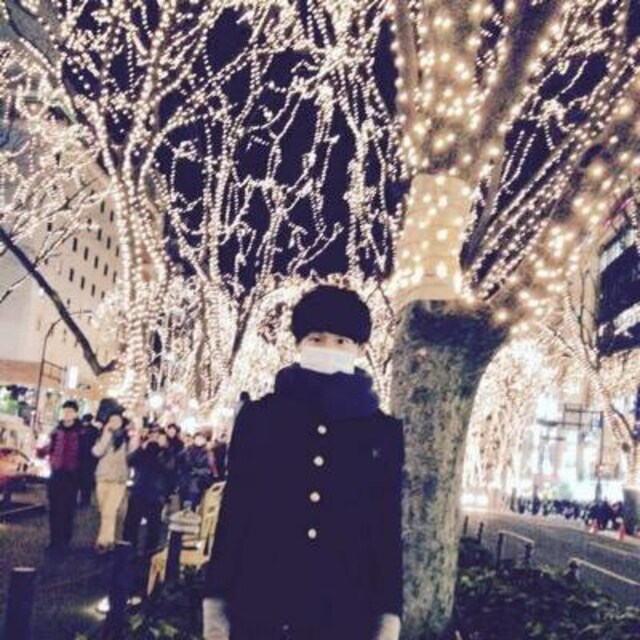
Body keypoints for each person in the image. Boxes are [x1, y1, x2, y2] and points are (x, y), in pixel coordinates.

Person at [202, 285, 405, 640]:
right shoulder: (260, 417)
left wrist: (388, 612)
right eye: (317, 338)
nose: (329, 348)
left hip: (345, 608)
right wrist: (216, 600)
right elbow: (236, 508)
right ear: (299, 343)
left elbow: (386, 526)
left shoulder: (382, 432)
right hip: (262, 599)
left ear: (360, 349)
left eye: (342, 341)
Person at [39, 399, 83, 555]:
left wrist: (81, 475)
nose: (67, 414)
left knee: (67, 510)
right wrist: (42, 450)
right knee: (54, 509)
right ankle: (54, 540)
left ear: (76, 414)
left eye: (70, 411)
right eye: (65, 411)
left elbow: (84, 455)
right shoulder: (56, 431)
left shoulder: (81, 432)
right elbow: (47, 450)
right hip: (56, 474)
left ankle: (64, 541)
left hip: (71, 476)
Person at [123, 427, 176, 554]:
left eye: (158, 437)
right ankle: (130, 548)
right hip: (139, 490)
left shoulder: (167, 454)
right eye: (153, 436)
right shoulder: (143, 451)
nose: (155, 440)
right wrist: (142, 448)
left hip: (156, 493)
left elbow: (168, 469)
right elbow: (130, 460)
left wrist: (159, 451)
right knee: (132, 522)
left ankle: (150, 551)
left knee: (154, 525)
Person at [92, 409, 137, 553]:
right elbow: (97, 452)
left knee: (109, 510)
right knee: (103, 511)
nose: (114, 423)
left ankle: (104, 541)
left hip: (118, 479)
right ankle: (107, 539)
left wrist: (135, 433)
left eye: (117, 421)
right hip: (102, 477)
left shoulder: (127, 438)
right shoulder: (103, 436)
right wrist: (106, 434)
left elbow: (133, 452)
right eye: (112, 421)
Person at [177, 430, 216, 508]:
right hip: (185, 478)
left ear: (205, 441)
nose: (199, 441)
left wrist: (196, 471)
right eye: (197, 438)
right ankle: (184, 507)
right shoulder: (187, 450)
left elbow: (209, 470)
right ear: (194, 439)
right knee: (183, 490)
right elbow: (179, 462)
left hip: (199, 480)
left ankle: (191, 506)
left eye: (201, 439)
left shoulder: (208, 453)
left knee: (194, 487)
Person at [77, 413, 101, 507]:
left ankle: (76, 499)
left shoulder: (80, 430)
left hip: (80, 458)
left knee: (78, 479)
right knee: (87, 480)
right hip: (91, 459)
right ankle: (85, 500)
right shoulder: (95, 431)